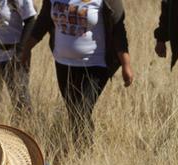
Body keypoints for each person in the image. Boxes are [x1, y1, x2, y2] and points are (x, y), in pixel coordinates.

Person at [22, 0, 134, 147]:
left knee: (81, 110)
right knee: (73, 112)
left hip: (95, 65)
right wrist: (26, 49)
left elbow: (118, 29)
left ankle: (83, 152)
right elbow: (43, 21)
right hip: (63, 63)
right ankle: (78, 149)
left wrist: (126, 64)